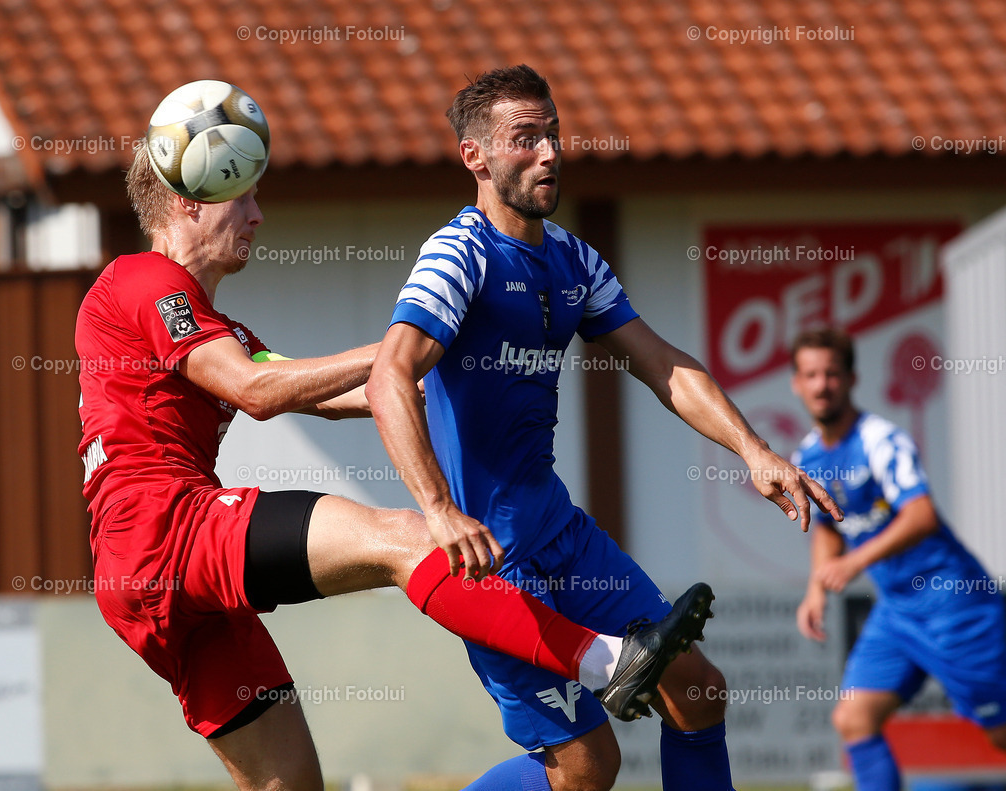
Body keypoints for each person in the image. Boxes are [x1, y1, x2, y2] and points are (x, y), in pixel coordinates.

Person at [74, 143, 708, 791]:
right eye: (245, 198)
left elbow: (321, 390)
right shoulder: (145, 279)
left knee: (288, 784)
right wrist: (398, 350)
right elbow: (255, 391)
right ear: (188, 201)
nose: (259, 216)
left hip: (152, 583)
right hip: (166, 530)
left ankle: (609, 660)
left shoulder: (223, 330)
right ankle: (606, 660)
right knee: (405, 537)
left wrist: (453, 374)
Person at [365, 64, 841, 791]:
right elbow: (388, 375)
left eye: (552, 133)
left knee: (698, 687)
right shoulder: (458, 255)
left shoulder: (573, 261)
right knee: (589, 765)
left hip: (563, 535)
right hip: (496, 566)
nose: (550, 151)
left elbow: (662, 365)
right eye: (525, 138)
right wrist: (437, 511)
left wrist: (755, 449)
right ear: (476, 156)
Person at [790, 327, 1006, 791]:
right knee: (853, 717)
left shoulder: (882, 440)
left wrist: (854, 562)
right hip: (897, 612)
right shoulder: (807, 455)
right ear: (796, 383)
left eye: (831, 373)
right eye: (811, 374)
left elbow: (922, 515)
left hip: (956, 606)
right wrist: (815, 588)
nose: (821, 384)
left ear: (851, 379)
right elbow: (828, 526)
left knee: (1000, 733)